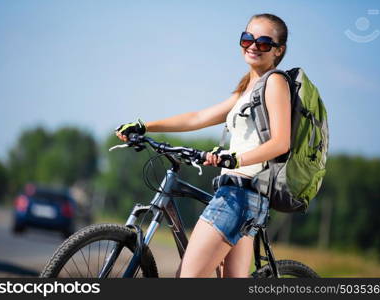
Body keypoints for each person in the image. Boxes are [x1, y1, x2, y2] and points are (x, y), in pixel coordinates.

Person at [115, 13, 291, 278]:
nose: (253, 46)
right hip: (242, 197)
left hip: (240, 196)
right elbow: (198, 118)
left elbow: (281, 142)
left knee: (186, 278)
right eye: (247, 39)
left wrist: (235, 160)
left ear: (279, 50)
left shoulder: (275, 82)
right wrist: (145, 125)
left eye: (264, 43)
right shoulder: (249, 86)